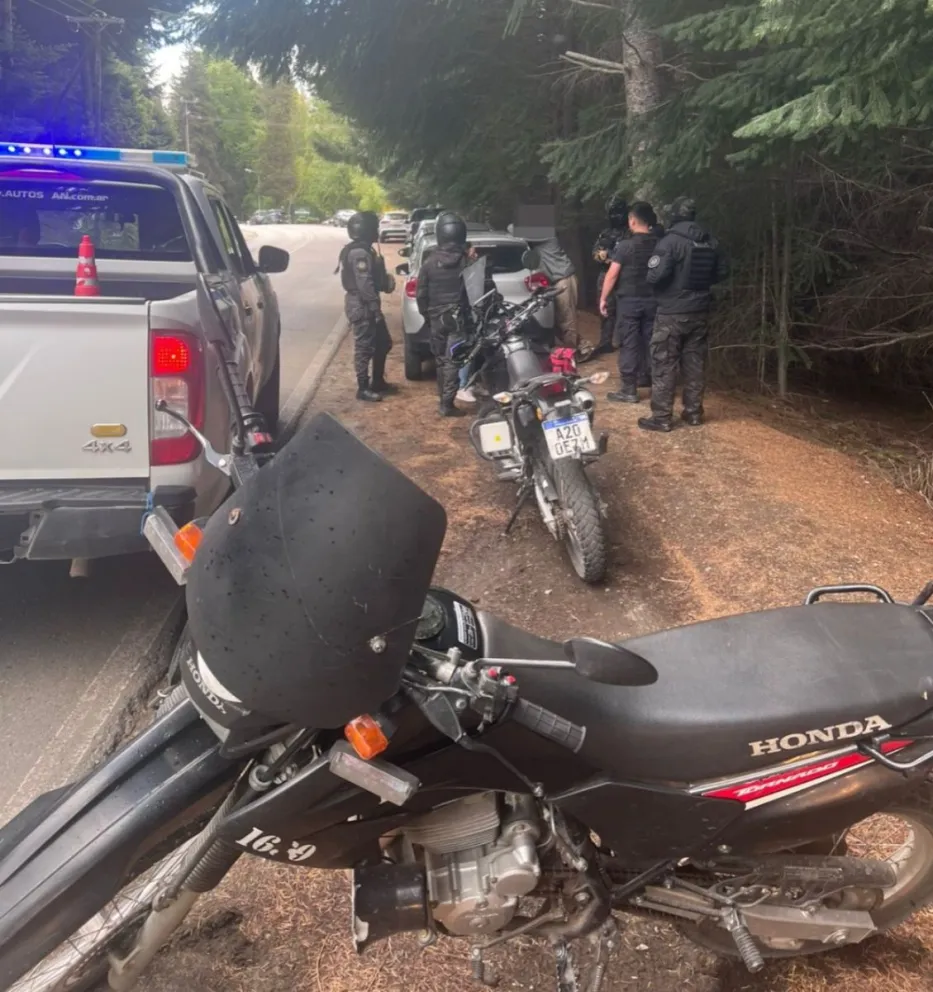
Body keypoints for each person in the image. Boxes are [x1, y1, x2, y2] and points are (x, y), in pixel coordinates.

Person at [640, 196, 728, 432]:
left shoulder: (670, 242)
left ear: (675, 214)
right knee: (695, 363)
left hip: (672, 312)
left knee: (664, 363)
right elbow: (722, 272)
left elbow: (654, 276)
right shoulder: (711, 241)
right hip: (700, 311)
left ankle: (661, 417)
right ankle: (694, 413)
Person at [599, 201, 659, 403]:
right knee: (651, 341)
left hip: (630, 302)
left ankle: (629, 389)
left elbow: (612, 275)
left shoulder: (626, 246)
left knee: (629, 343)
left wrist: (603, 298)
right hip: (653, 301)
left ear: (632, 221)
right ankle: (653, 383)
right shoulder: (659, 244)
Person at [416, 212, 471, 417]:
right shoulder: (467, 262)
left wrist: (428, 317)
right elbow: (478, 291)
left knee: (440, 360)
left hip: (437, 319)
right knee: (452, 361)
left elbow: (421, 295)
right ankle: (446, 404)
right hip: (458, 319)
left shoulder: (429, 263)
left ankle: (444, 400)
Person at [337, 211, 397, 403]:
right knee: (364, 347)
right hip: (362, 305)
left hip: (367, 303)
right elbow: (364, 284)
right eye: (375, 228)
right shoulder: (359, 253)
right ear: (367, 230)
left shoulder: (366, 250)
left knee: (383, 343)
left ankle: (378, 381)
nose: (377, 232)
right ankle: (363, 388)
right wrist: (374, 307)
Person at [589, 193, 629, 359]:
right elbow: (596, 253)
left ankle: (625, 340)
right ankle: (606, 341)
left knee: (627, 310)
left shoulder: (631, 232)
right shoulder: (605, 233)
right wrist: (603, 257)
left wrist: (612, 258)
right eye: (612, 213)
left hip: (626, 275)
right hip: (606, 274)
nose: (615, 216)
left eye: (617, 212)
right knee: (606, 309)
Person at [533, 233, 579, 348]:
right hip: (553, 281)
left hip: (563, 279)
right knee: (558, 319)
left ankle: (571, 354)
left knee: (567, 319)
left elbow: (512, 229)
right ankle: (579, 347)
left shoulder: (542, 232)